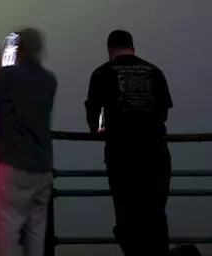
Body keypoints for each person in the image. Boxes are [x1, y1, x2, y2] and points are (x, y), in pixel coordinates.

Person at [84, 29, 173, 256]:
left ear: (110, 50)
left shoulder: (102, 73)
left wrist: (97, 129)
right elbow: (163, 112)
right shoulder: (154, 71)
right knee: (155, 217)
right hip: (156, 154)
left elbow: (93, 110)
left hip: (121, 155)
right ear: (133, 47)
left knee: (127, 218)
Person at [0, 28, 57, 256]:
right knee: (37, 231)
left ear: (18, 49)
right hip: (43, 165)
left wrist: (2, 59)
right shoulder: (49, 80)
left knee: (8, 228)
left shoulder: (7, 76)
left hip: (12, 163)